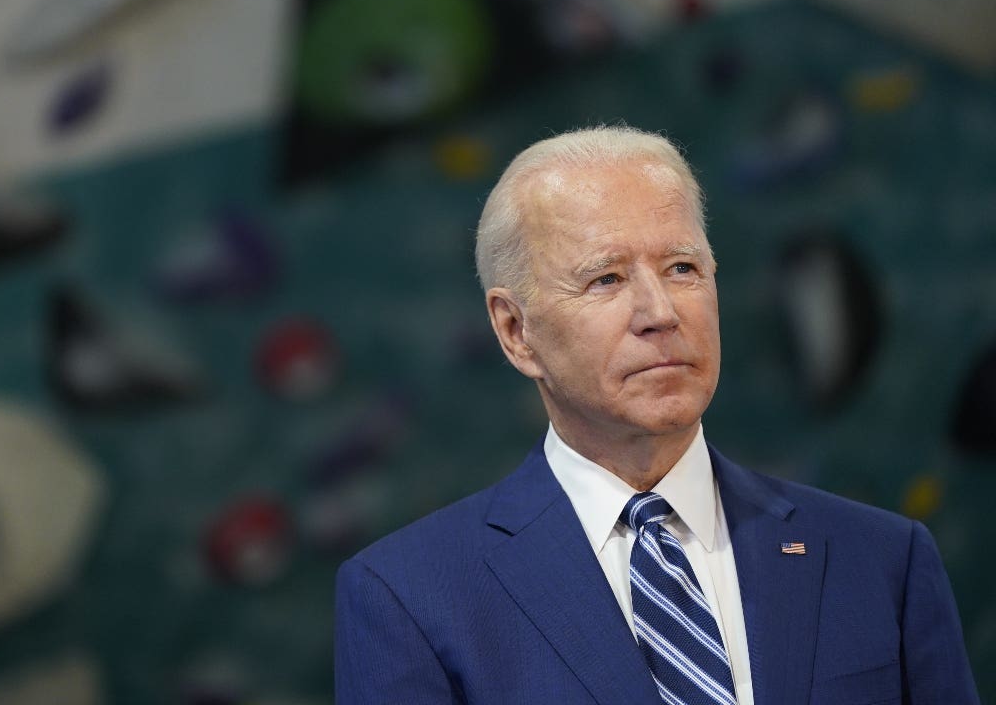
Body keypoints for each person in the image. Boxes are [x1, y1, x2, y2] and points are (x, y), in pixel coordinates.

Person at [333, 125, 979, 704]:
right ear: (515, 332)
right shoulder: (409, 599)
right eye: (606, 280)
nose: (661, 312)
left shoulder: (883, 561)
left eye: (682, 268)